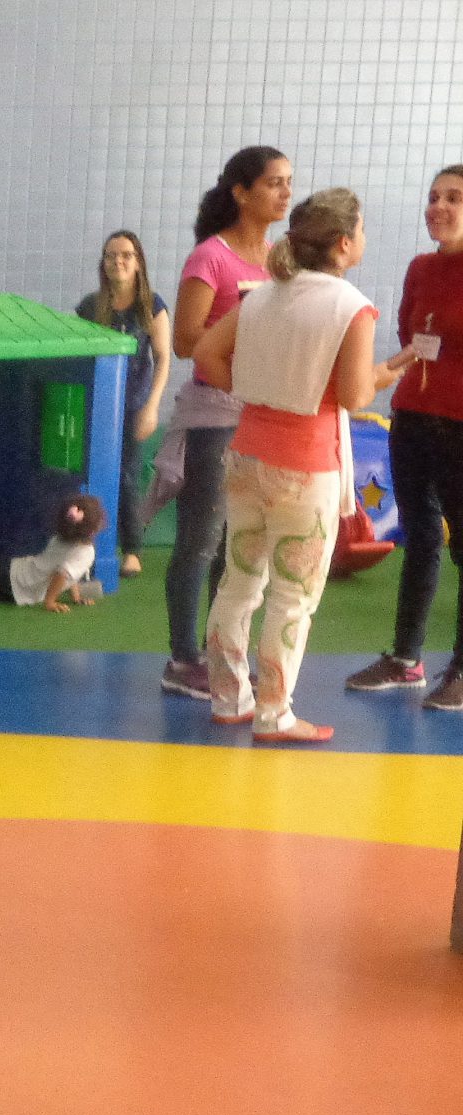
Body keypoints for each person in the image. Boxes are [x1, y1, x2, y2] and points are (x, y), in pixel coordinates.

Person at [191, 189, 414, 744]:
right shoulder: (352, 307)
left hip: (247, 454)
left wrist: (255, 390)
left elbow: (206, 354)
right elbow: (353, 394)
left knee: (239, 582)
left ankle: (228, 699)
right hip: (307, 468)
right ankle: (275, 714)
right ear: (343, 243)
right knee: (292, 599)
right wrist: (385, 374)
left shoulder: (263, 295)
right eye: (361, 229)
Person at [157, 147, 295, 700]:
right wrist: (245, 331)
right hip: (215, 414)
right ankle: (182, 659)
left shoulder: (282, 259)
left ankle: (222, 655)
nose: (285, 193)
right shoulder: (210, 258)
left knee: (241, 544)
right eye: (273, 183)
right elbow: (186, 341)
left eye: (288, 182)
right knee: (201, 539)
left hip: (261, 415)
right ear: (241, 192)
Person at [346, 164, 463, 708]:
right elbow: (407, 333)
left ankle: (460, 669)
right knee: (420, 537)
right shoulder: (421, 267)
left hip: (459, 425)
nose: (438, 206)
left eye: (454, 198)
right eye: (434, 196)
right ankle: (406, 658)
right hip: (411, 417)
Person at [76, 231, 170, 575]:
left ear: (138, 262)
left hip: (133, 405)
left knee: (127, 476)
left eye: (126, 255)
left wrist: (152, 406)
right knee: (84, 472)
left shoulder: (151, 306)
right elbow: (77, 354)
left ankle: (132, 550)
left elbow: (163, 358)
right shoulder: (90, 307)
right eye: (111, 255)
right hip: (95, 405)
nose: (118, 261)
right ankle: (83, 544)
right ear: (103, 263)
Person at [0, 493, 107, 611]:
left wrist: (76, 597)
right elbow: (62, 574)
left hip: (14, 569)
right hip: (19, 588)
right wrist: (50, 601)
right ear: (93, 529)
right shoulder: (86, 552)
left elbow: (69, 574)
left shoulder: (61, 538)